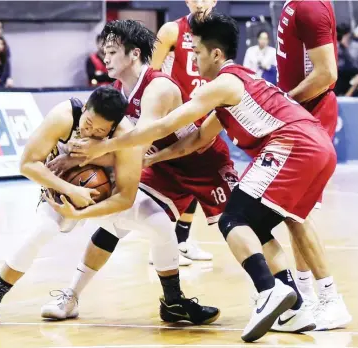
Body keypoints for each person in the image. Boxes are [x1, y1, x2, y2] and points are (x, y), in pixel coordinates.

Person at [68, 13, 336, 342]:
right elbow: (197, 139)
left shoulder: (221, 84)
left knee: (233, 219)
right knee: (257, 226)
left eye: (196, 53)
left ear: (216, 55)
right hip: (318, 146)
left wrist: (103, 148)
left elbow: (163, 126)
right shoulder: (238, 85)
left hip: (294, 146)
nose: (193, 60)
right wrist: (159, 156)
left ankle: (269, 291)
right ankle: (294, 309)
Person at [0, 86, 220, 329]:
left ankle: (173, 302)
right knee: (41, 231)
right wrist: (71, 190)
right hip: (62, 192)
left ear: (113, 127)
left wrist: (81, 213)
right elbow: (28, 165)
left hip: (103, 196)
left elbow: (126, 198)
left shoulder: (126, 135)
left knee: (160, 224)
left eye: (99, 132)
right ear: (84, 108)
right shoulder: (64, 116)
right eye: (87, 124)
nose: (89, 132)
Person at [39, 19, 235, 321]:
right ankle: (74, 296)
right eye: (104, 51)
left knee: (242, 224)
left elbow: (137, 147)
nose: (105, 58)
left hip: (201, 162)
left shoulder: (157, 86)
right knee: (122, 224)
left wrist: (80, 160)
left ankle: (275, 290)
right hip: (160, 167)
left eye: (113, 51)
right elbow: (113, 149)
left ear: (134, 54)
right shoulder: (115, 93)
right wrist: (70, 155)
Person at [276, 0, 352, 330]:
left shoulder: (310, 7)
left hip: (309, 114)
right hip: (301, 113)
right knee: (291, 211)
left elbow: (327, 73)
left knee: (294, 210)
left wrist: (285, 102)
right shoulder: (297, 4)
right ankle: (305, 295)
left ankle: (330, 299)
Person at [150, 0, 218, 264]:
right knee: (168, 184)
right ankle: (160, 247)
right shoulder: (170, 31)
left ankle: (182, 240)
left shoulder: (219, 32)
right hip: (174, 117)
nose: (201, 2)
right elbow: (150, 73)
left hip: (206, 117)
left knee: (195, 182)